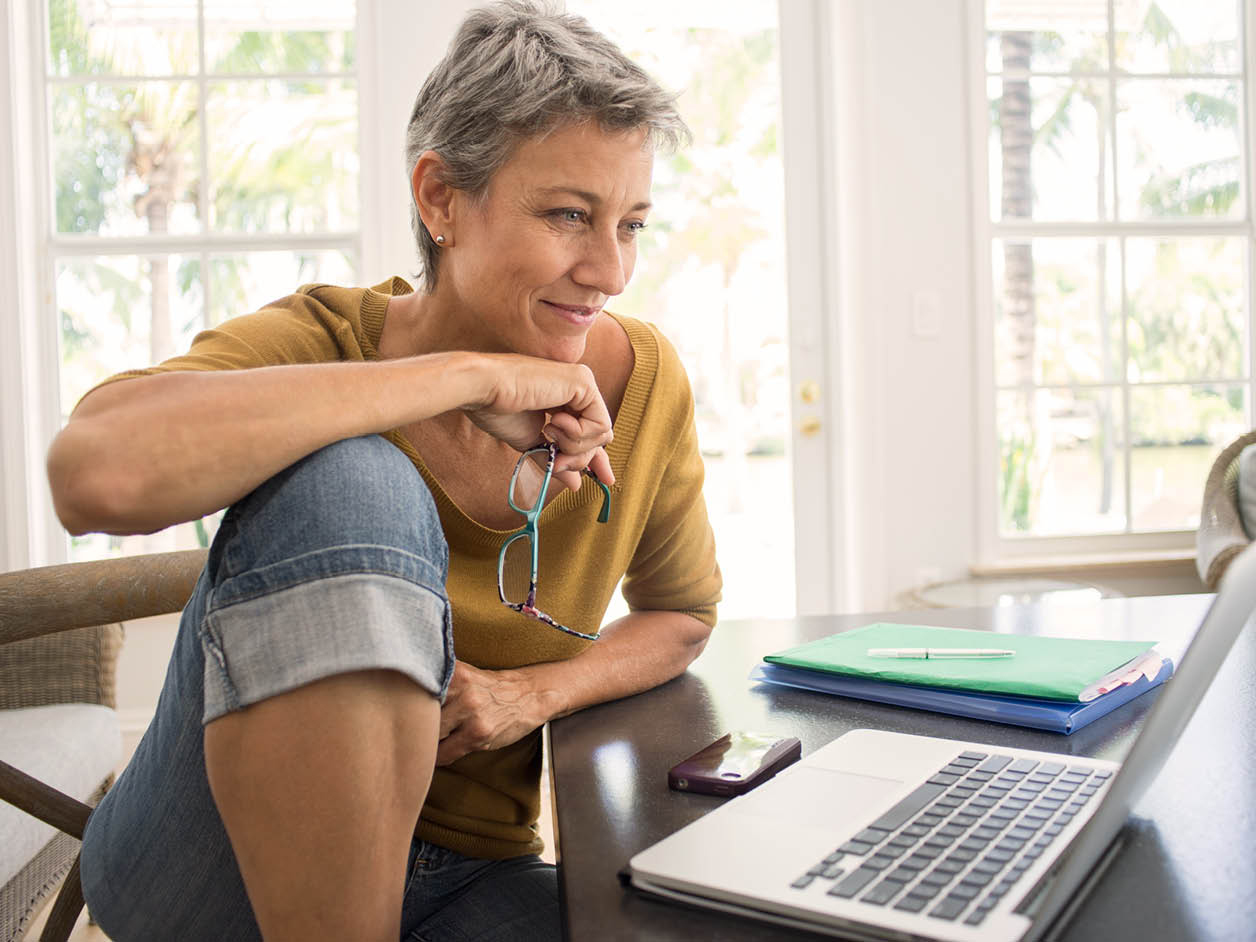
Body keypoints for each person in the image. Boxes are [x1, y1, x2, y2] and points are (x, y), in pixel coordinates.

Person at [45, 3, 722, 940]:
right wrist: (463, 377)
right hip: (210, 864)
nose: (608, 269)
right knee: (349, 477)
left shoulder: (643, 383)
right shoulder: (323, 339)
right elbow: (92, 474)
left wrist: (535, 694)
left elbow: (682, 614)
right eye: (569, 215)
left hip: (465, 874)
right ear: (441, 198)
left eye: (632, 224)